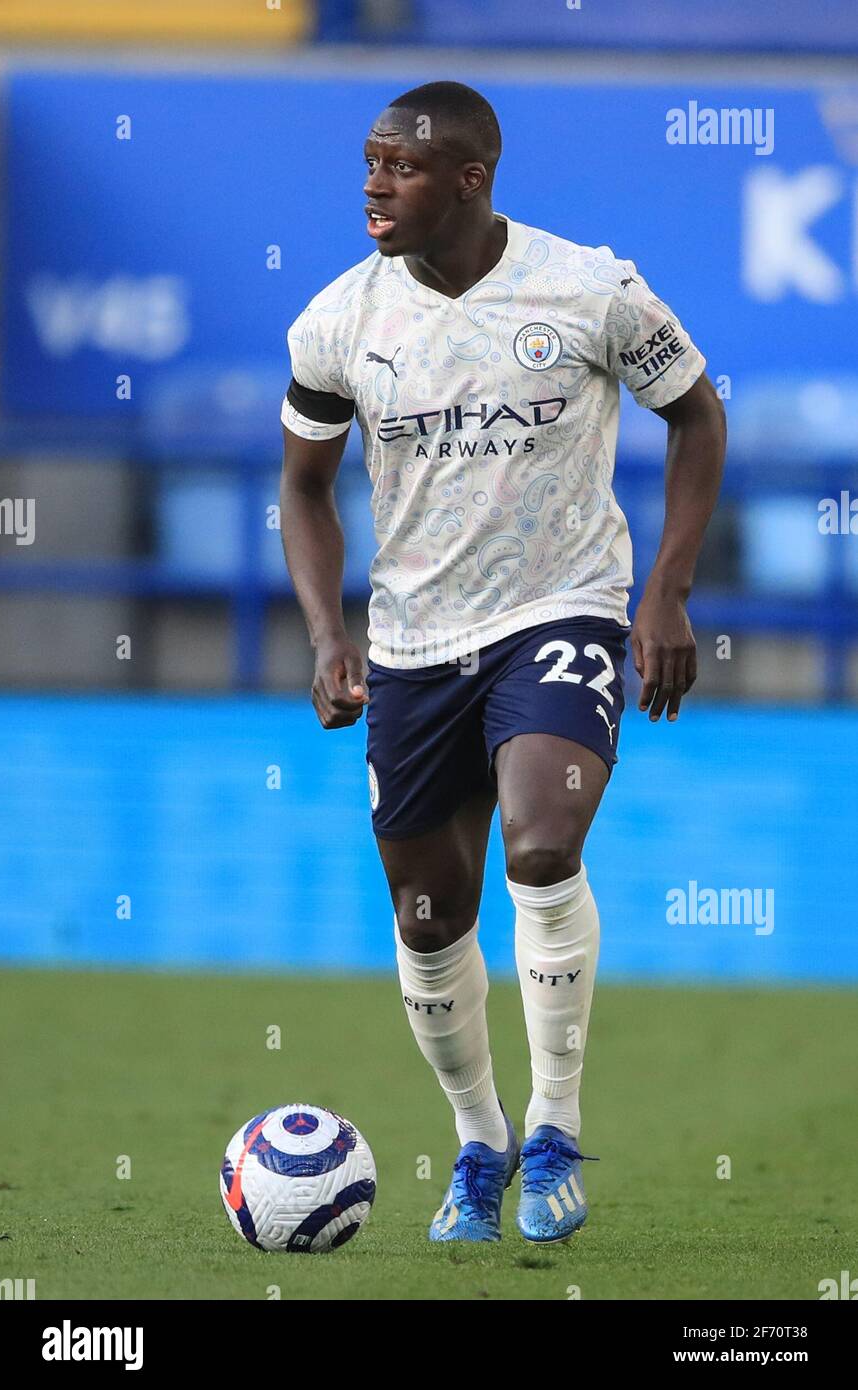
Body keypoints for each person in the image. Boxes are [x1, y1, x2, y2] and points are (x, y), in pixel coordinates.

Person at [280, 81, 726, 1244]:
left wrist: (665, 588)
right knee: (430, 918)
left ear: (471, 178)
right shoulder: (336, 322)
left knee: (539, 842)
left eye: (402, 167)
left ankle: (554, 1131)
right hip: (413, 644)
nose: (373, 184)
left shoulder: (587, 286)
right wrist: (330, 633)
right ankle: (478, 1139)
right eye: (367, 163)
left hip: (559, 608)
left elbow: (695, 413)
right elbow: (300, 486)